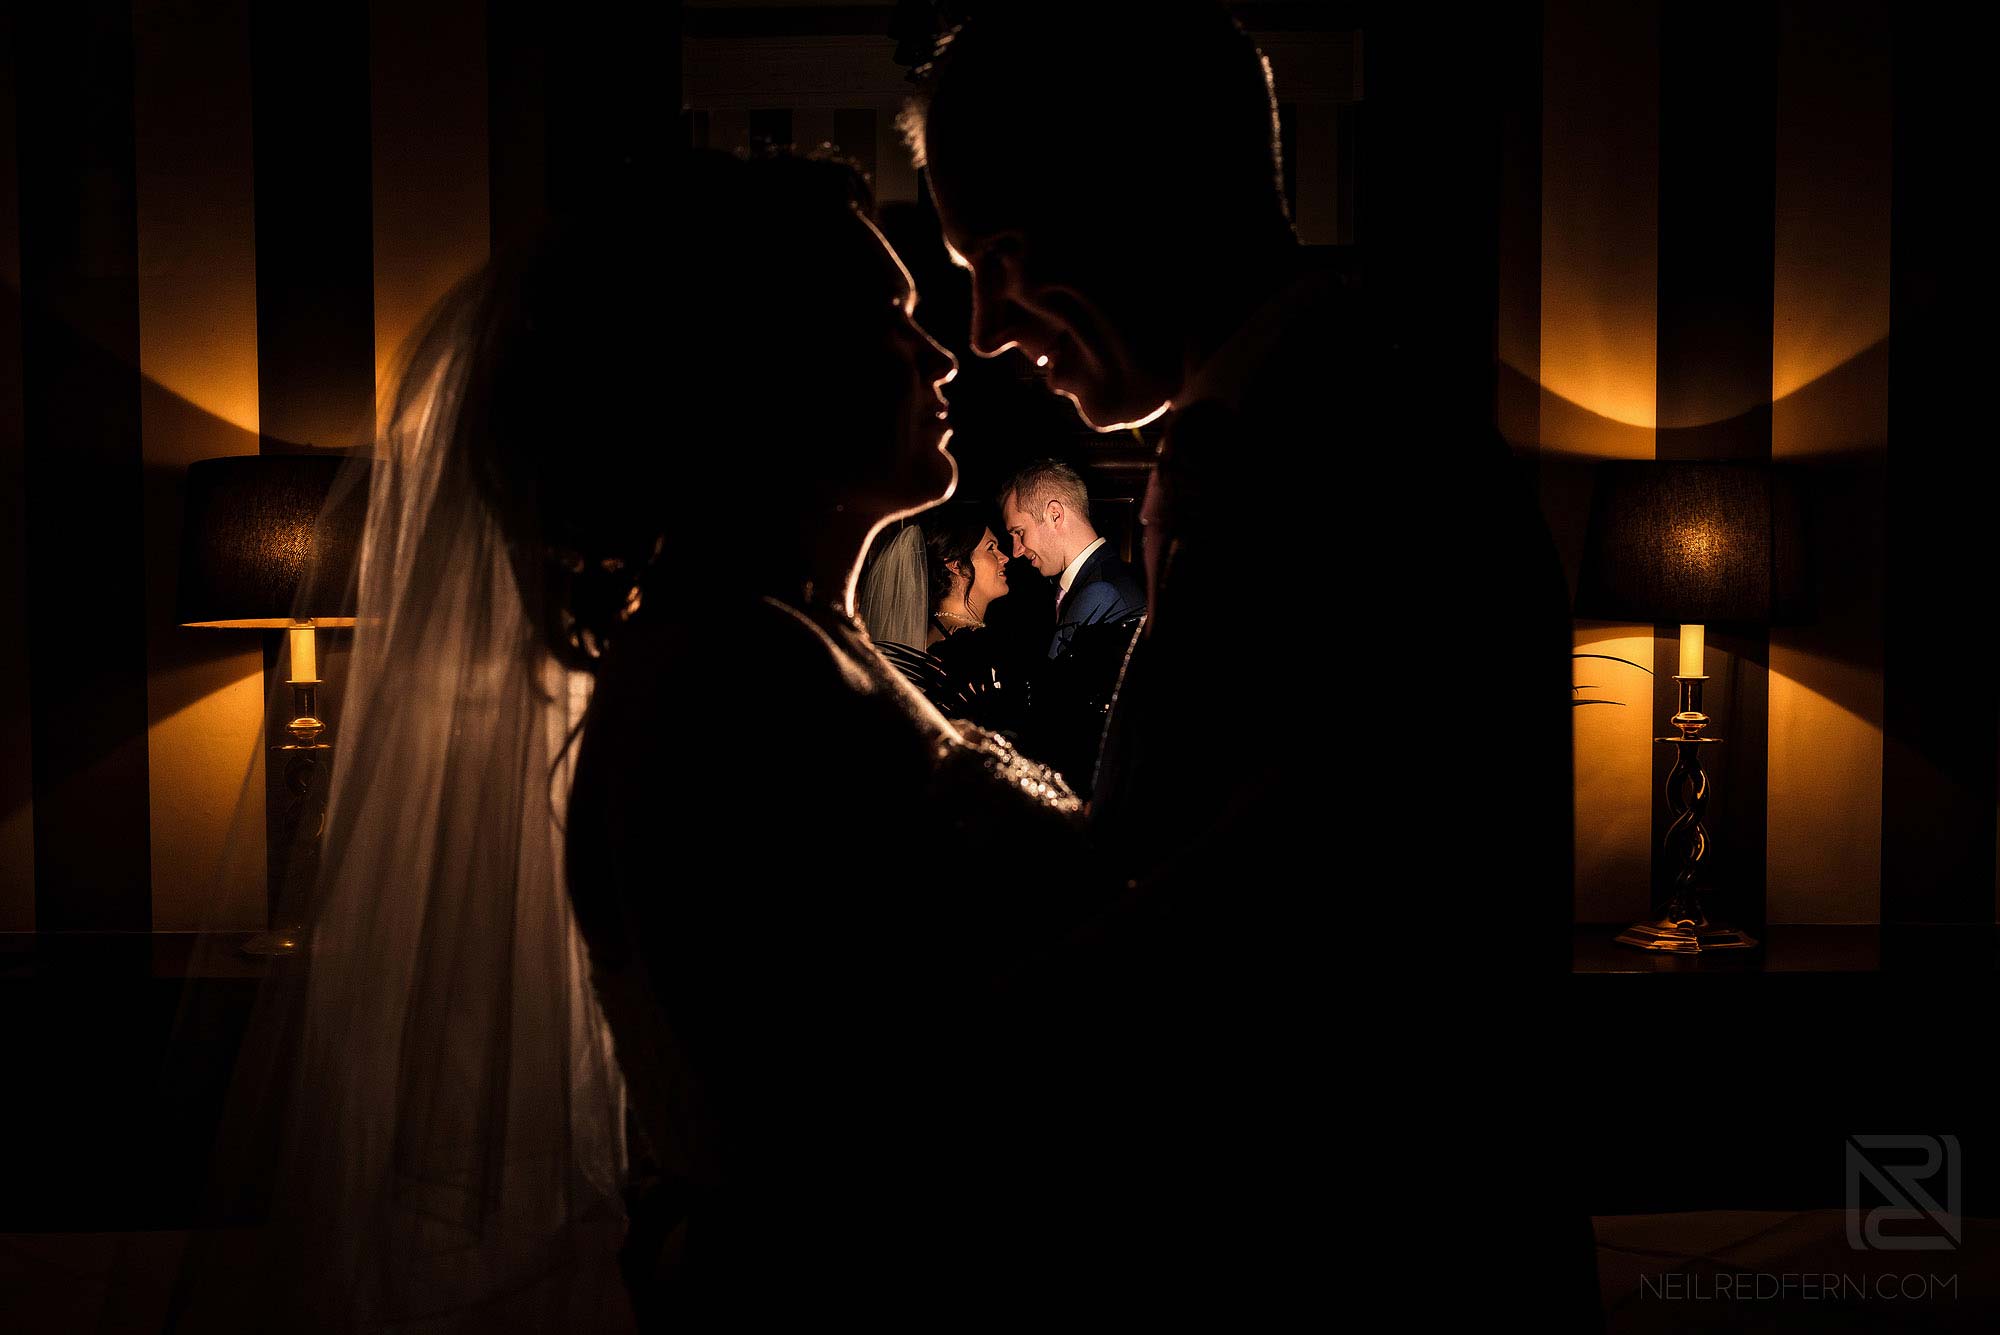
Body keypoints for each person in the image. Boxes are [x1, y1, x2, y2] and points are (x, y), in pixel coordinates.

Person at [903, 2, 1594, 1324]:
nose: (985, 324)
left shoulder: (1343, 445)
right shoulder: (1303, 412)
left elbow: (1275, 906)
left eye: (999, 255)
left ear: (1129, 199)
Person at [562, 151, 1108, 1320]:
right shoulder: (738, 670)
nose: (944, 356)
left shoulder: (791, 639)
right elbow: (892, 1061)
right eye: (891, 318)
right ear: (766, 370)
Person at [997, 458, 1144, 660]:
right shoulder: (1098, 582)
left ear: (1054, 515)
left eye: (1019, 532)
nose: (1016, 551)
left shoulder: (1102, 593)